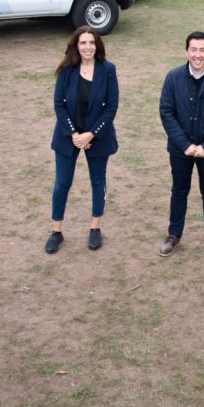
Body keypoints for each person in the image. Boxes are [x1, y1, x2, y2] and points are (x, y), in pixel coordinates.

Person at [158, 31, 204, 260]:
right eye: (193, 49)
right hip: (180, 149)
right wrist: (184, 145)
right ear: (186, 52)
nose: (197, 55)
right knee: (179, 190)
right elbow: (166, 112)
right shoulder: (173, 78)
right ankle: (174, 235)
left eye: (202, 50)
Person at [45, 26, 120, 254]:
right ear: (76, 46)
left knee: (98, 182)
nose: (88, 47)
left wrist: (91, 134)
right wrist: (74, 135)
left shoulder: (108, 70)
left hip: (98, 136)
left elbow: (111, 107)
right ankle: (56, 231)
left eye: (91, 42)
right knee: (62, 183)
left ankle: (95, 227)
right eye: (83, 43)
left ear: (97, 45)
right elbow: (59, 104)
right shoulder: (67, 70)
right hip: (68, 136)